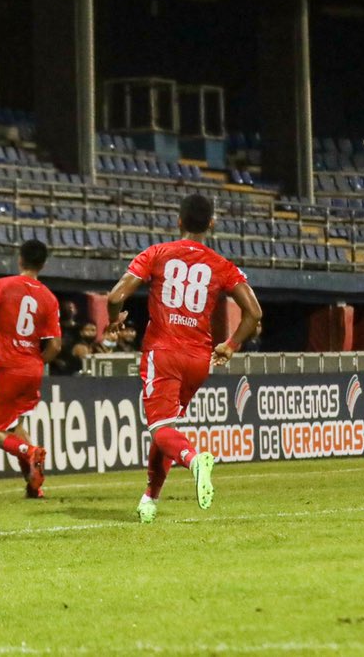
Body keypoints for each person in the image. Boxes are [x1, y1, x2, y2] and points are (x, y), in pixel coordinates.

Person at [106, 194, 262, 524]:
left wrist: (114, 318)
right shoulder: (221, 265)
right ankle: (150, 499)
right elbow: (254, 312)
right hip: (199, 359)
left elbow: (116, 295)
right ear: (211, 224)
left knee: (161, 429)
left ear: (178, 221)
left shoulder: (157, 253)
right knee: (166, 428)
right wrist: (231, 345)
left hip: (163, 353)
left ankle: (193, 460)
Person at [0, 240, 62, 498]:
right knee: (15, 425)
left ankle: (29, 452)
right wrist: (36, 363)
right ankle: (33, 487)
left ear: (20, 259)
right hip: (33, 370)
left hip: (7, 367)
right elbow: (55, 346)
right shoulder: (49, 297)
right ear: (43, 264)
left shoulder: (3, 286)